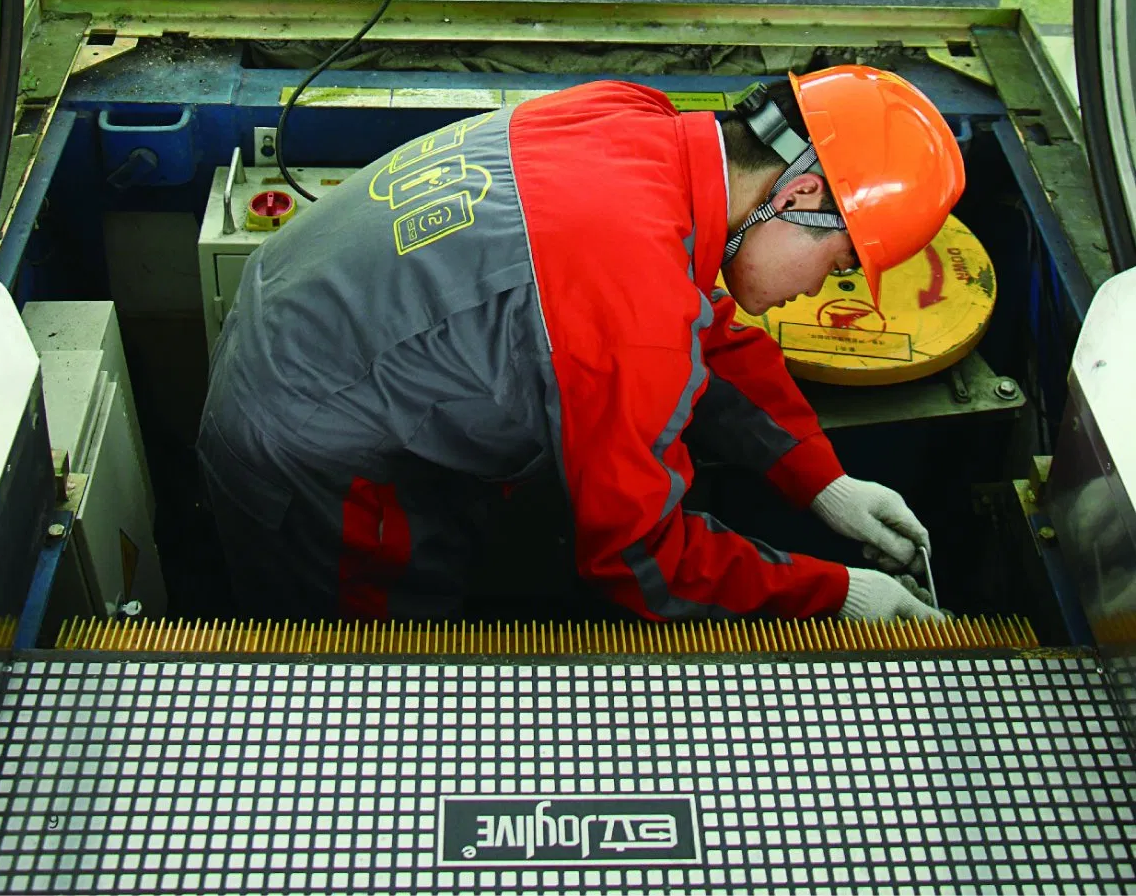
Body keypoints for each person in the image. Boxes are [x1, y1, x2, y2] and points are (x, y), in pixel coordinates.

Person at [198, 66, 964, 626]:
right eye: (839, 264)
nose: (821, 287)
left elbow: (694, 320)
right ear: (798, 196)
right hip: (311, 460)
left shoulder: (633, 116)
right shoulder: (632, 297)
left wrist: (822, 480)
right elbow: (642, 562)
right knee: (376, 688)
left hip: (301, 317)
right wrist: (840, 596)